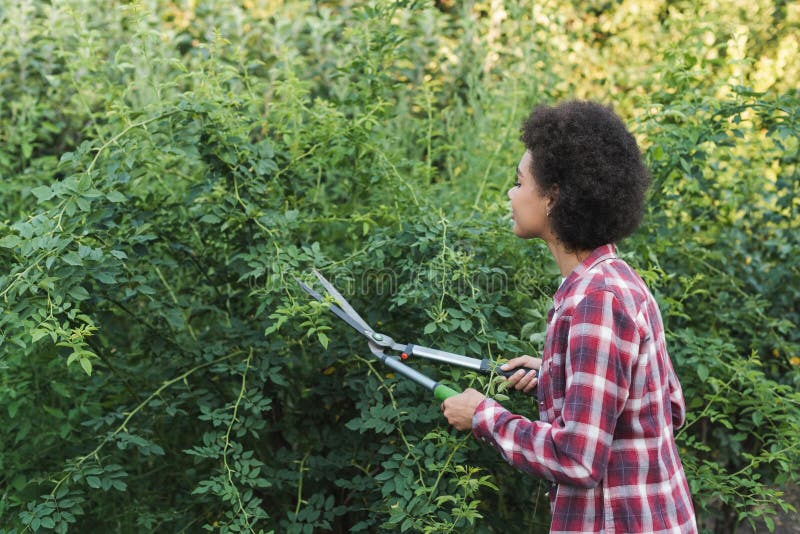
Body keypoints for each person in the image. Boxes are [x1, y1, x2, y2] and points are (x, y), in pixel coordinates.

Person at [441, 101, 698, 533]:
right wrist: (555, 375)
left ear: (552, 197)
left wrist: (483, 415)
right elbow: (666, 406)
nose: (511, 193)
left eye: (519, 182)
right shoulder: (615, 279)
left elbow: (578, 459)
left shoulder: (596, 301)